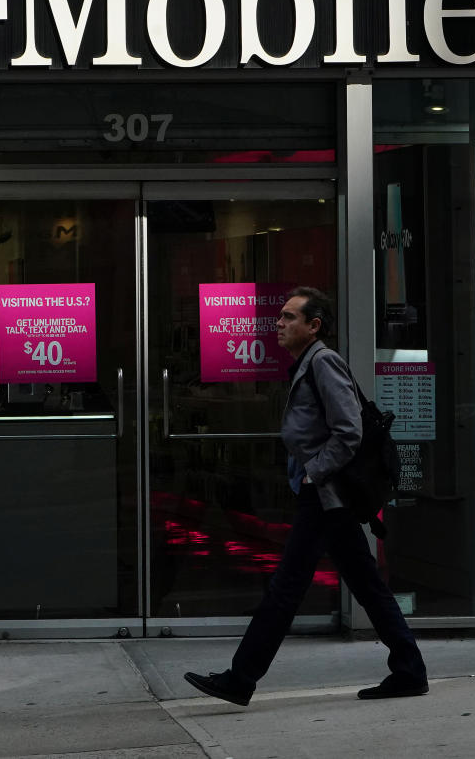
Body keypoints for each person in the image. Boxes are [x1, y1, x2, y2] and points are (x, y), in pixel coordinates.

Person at [184, 286, 428, 706]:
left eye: (289, 317)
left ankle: (241, 678)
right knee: (365, 584)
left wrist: (314, 474)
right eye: (280, 317)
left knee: (286, 587)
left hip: (326, 494)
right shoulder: (306, 364)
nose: (279, 323)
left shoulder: (323, 362)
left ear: (314, 326)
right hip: (326, 495)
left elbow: (349, 430)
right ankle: (409, 669)